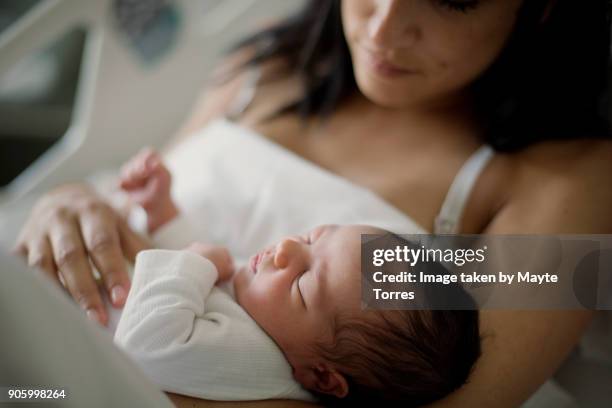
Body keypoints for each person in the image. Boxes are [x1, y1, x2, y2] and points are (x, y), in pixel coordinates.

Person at [13, 0, 612, 406]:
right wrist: (69, 205)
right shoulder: (265, 71)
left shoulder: (554, 176)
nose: (381, 30)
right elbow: (132, 199)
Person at [114, 149, 481, 406]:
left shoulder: (256, 357)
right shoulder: (265, 309)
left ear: (321, 377)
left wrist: (194, 261)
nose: (286, 248)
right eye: (311, 238)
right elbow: (202, 289)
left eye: (303, 282)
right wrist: (162, 213)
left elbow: (146, 344)